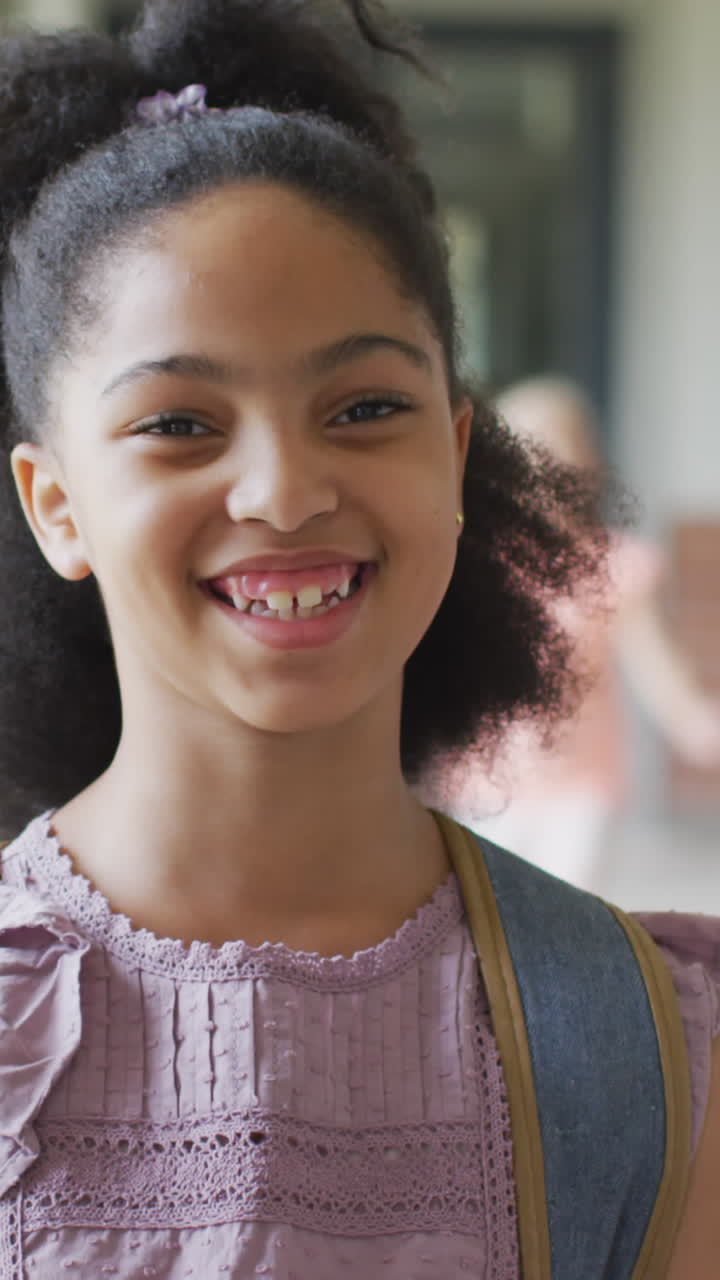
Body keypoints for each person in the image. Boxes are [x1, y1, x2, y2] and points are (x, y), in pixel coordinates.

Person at [0, 3, 717, 1276]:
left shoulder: (645, 1044)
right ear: (56, 503)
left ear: (453, 454)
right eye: (178, 422)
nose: (282, 489)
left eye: (366, 405)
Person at [434, 375, 720, 890]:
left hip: (582, 791)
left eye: (559, 445)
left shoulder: (614, 567)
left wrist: (696, 722)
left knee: (563, 917)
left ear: (587, 461)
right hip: (488, 784)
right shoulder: (476, 563)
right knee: (487, 913)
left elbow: (654, 662)